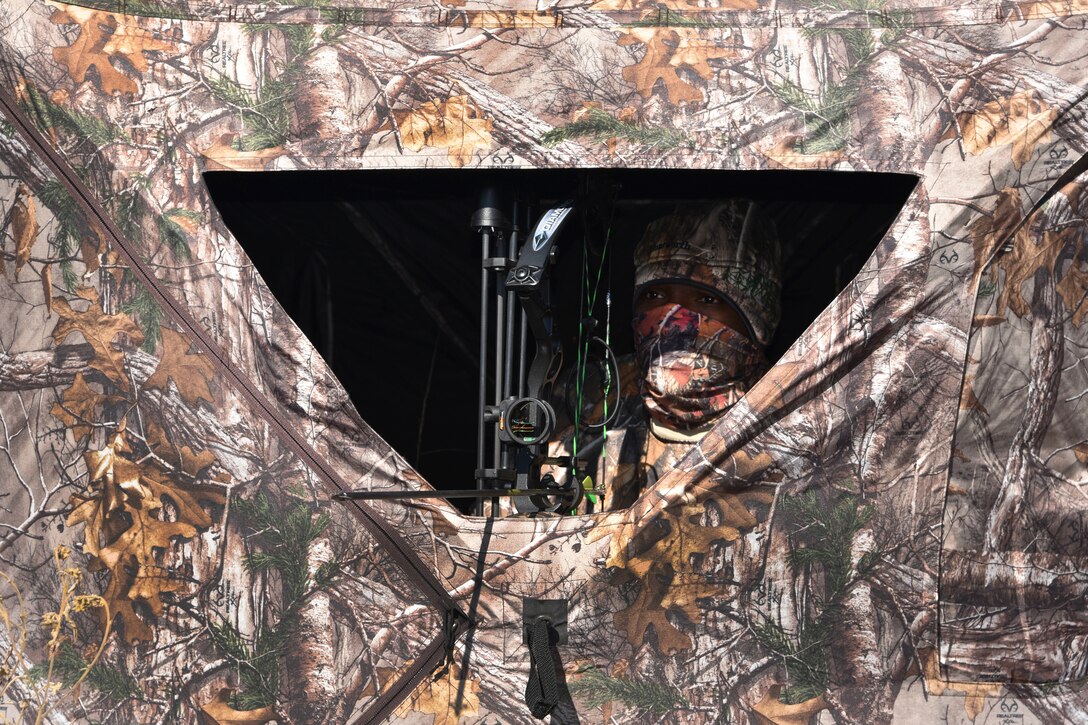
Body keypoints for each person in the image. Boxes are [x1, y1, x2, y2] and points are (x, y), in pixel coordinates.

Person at [551, 200, 781, 511]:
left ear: (757, 320)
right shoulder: (586, 398)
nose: (672, 319)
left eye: (706, 298)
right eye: (654, 295)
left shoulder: (797, 412)